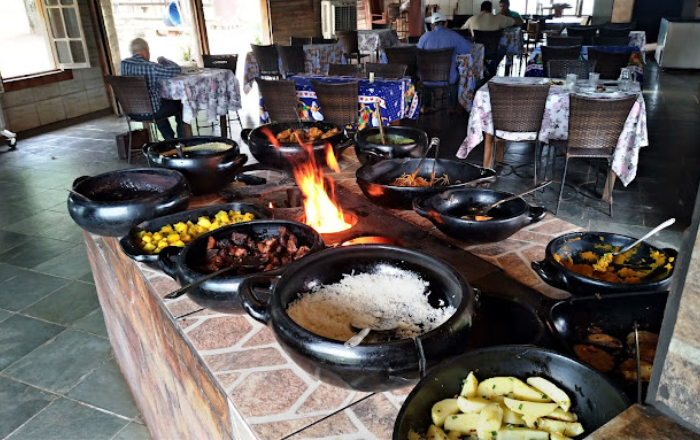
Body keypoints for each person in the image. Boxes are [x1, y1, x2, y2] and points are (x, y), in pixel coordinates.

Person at [120, 38, 184, 140]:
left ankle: (169, 139)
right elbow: (176, 69)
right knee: (181, 103)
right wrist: (162, 60)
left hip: (131, 112)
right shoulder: (152, 67)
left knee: (157, 103)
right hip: (152, 112)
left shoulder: (124, 64)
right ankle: (182, 139)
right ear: (146, 50)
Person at [417, 12, 473, 113]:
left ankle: (425, 106)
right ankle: (451, 106)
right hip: (448, 79)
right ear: (446, 23)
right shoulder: (453, 36)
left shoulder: (424, 38)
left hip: (427, 79)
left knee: (426, 74)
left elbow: (417, 54)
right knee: (456, 77)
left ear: (432, 25)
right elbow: (469, 48)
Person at [461, 2, 514, 75]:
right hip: (493, 50)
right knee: (503, 48)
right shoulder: (499, 18)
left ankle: (485, 67)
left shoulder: (472, 19)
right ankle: (492, 67)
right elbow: (512, 21)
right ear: (491, 9)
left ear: (481, 9)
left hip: (478, 51)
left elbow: (462, 30)